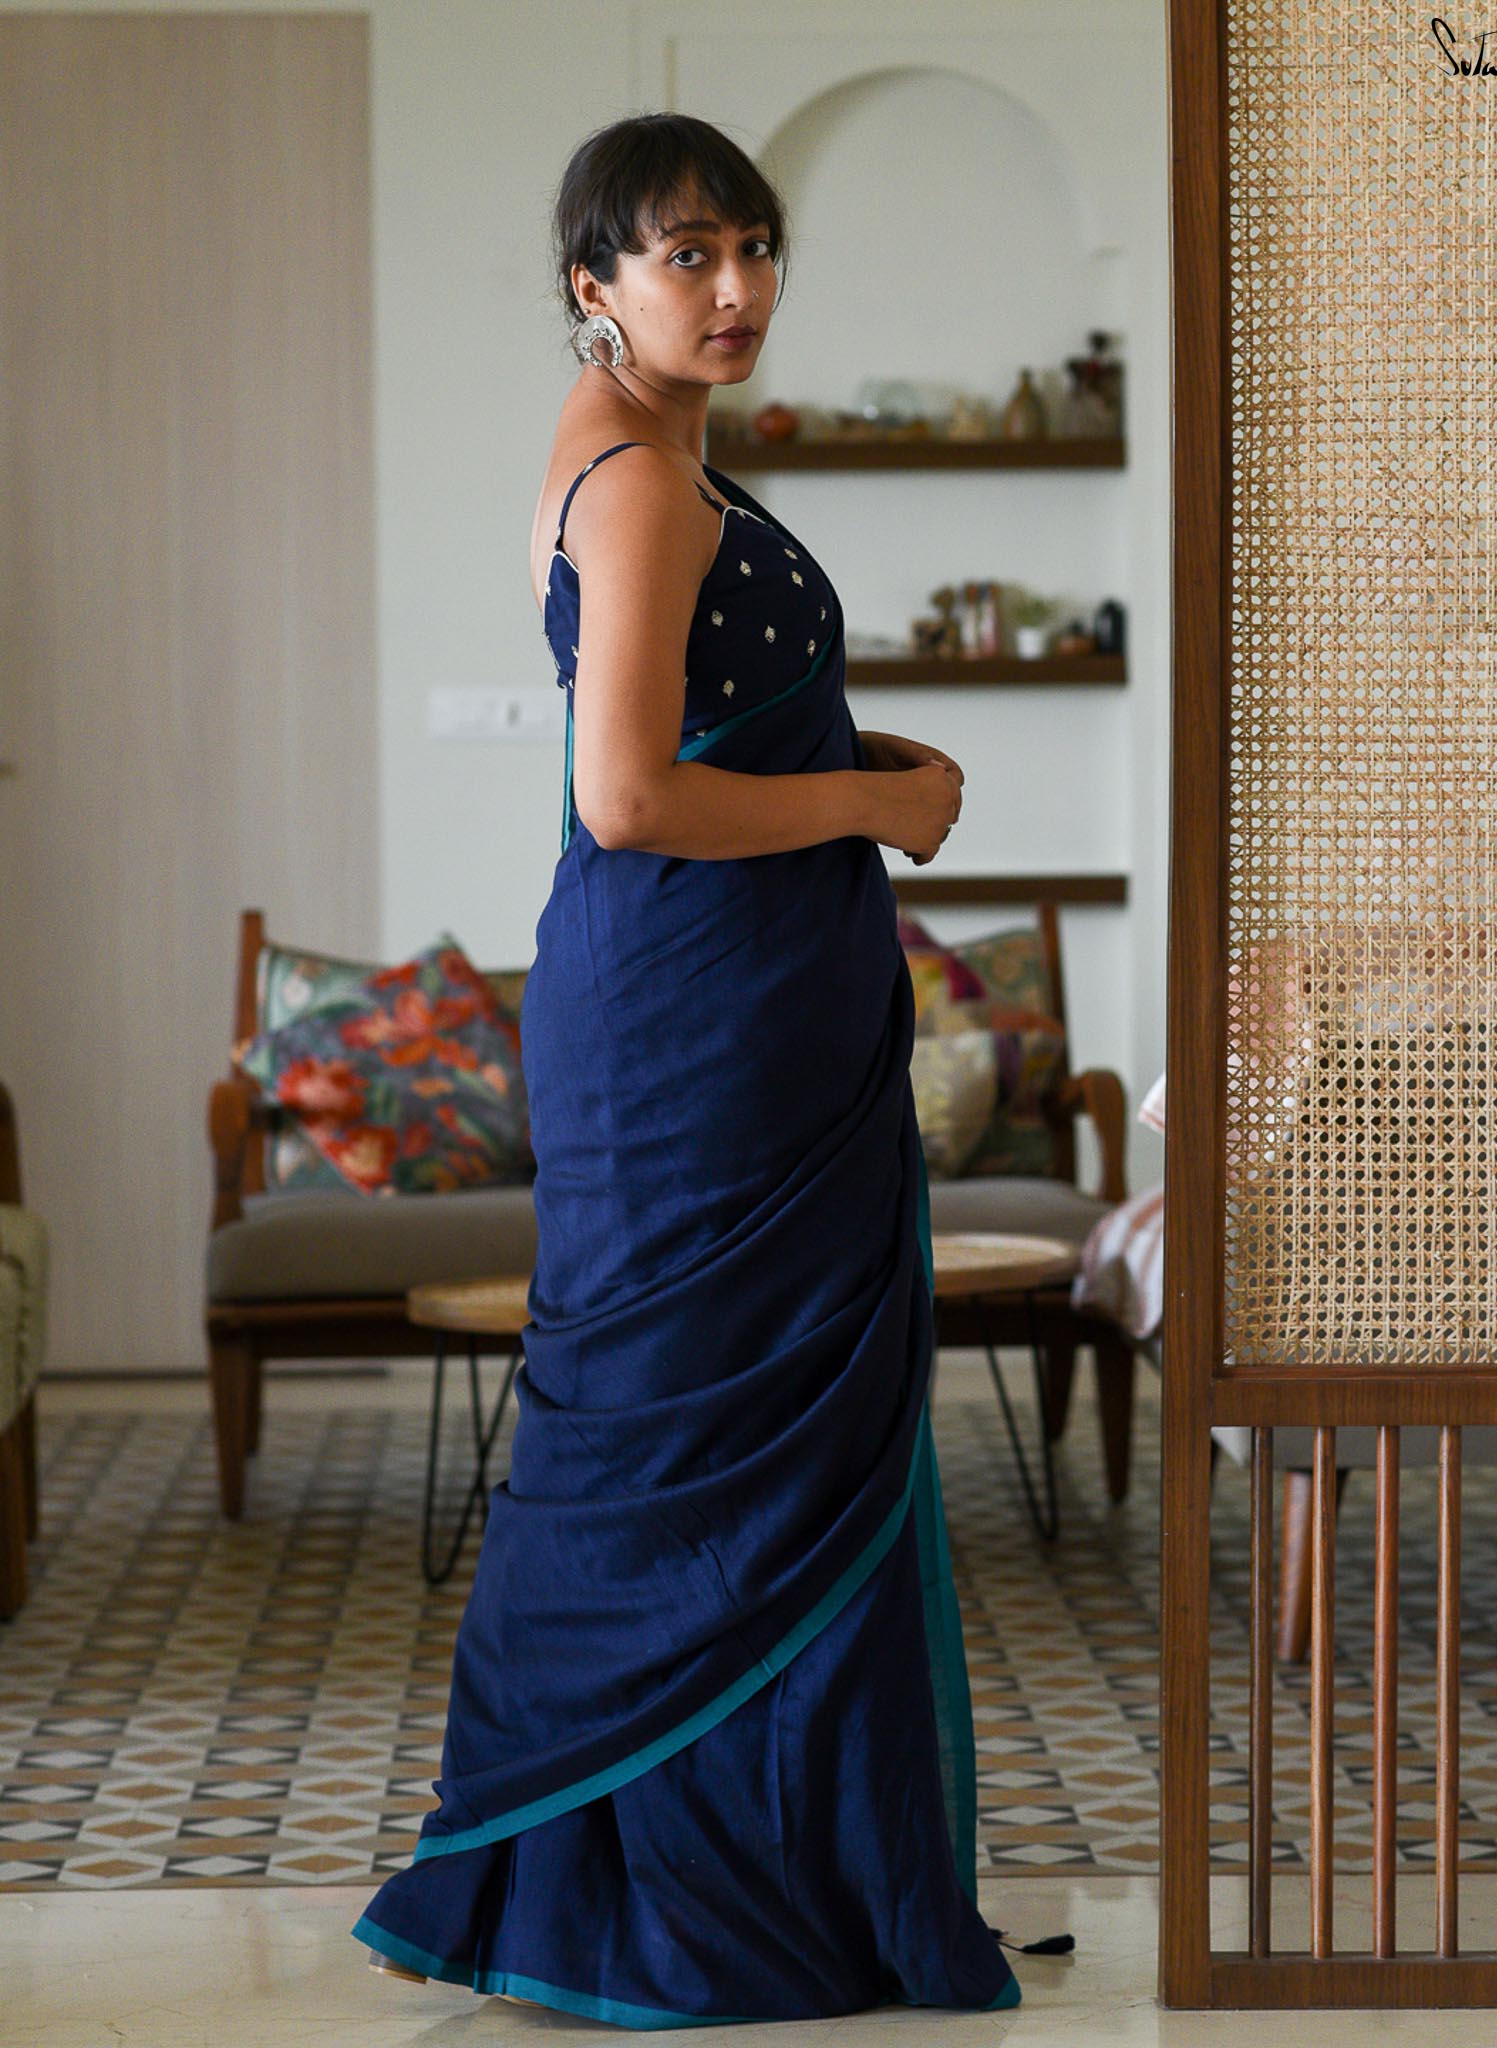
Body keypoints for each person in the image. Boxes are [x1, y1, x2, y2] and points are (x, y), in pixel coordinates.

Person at [349, 110, 1021, 2027]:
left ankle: (762, 1881)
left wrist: (854, 758)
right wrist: (875, 805)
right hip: (694, 1026)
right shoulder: (639, 480)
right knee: (683, 1433)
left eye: (754, 248)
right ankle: (650, 1902)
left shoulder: (650, 456)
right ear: (598, 285)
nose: (736, 289)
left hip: (729, 1013)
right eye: (688, 255)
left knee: (742, 1435)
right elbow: (632, 794)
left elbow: (705, 726)